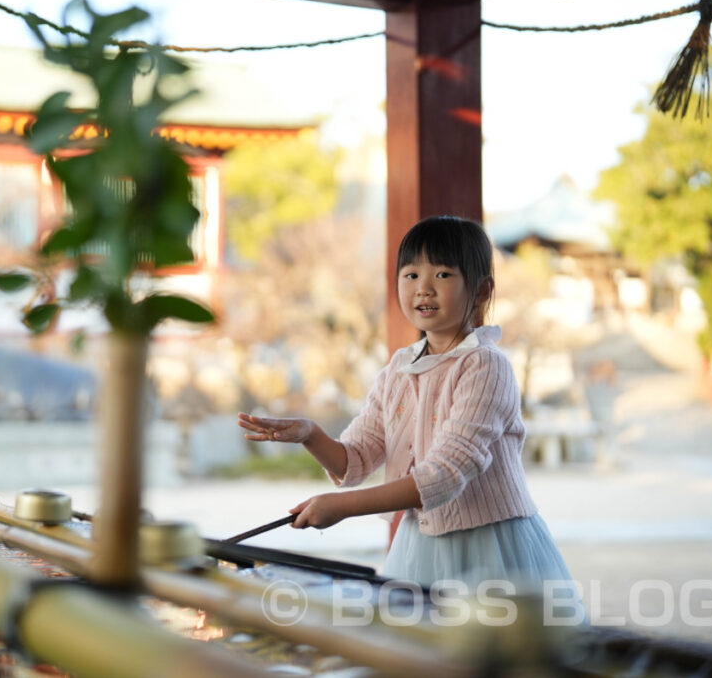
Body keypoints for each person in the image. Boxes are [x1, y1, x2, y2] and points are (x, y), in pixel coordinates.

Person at [238, 215, 576, 597]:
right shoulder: (399, 368)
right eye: (411, 275)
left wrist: (343, 507)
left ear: (482, 291)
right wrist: (311, 434)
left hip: (493, 548)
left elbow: (444, 475)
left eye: (443, 275)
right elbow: (354, 462)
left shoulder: (485, 365)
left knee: (487, 651)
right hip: (420, 544)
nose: (424, 289)